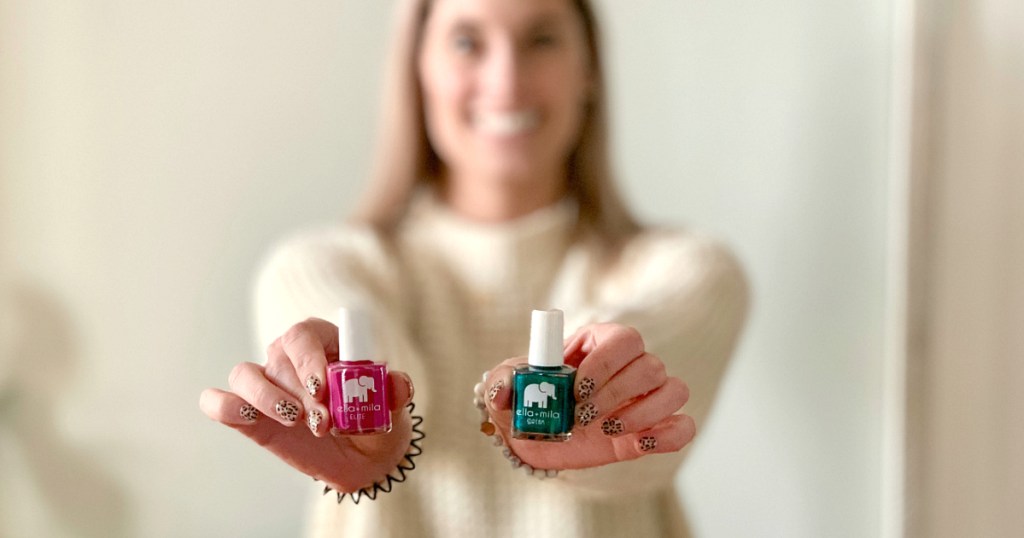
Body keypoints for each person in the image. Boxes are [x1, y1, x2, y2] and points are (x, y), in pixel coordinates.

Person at [199, 0, 749, 536]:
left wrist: (592, 391)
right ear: (418, 68)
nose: (506, 81)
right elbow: (387, 370)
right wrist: (373, 424)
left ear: (589, 70)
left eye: (541, 39)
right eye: (467, 42)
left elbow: (643, 445)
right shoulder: (314, 266)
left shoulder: (693, 273)